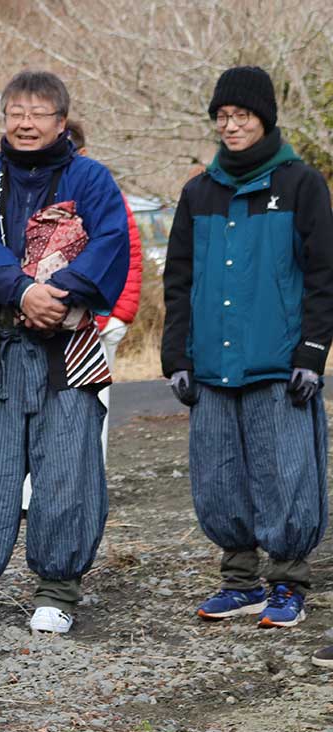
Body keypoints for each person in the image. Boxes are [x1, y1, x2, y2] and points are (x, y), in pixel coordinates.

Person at [0, 70, 130, 637]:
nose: (25, 122)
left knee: (68, 468)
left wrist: (56, 295)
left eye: (39, 113)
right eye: (16, 111)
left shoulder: (90, 177)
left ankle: (58, 588)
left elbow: (111, 240)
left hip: (67, 343)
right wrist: (22, 292)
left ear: (61, 122)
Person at [162, 66, 333, 628]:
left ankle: (288, 582)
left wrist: (312, 352)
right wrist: (176, 356)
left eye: (241, 116)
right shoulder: (198, 192)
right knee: (218, 477)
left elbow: (323, 276)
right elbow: (178, 280)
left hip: (277, 364)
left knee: (285, 474)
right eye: (222, 117)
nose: (230, 126)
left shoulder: (301, 185)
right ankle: (240, 581)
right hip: (211, 365)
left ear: (265, 118)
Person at [66, 119, 142, 463]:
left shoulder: (105, 193)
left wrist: (119, 316)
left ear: (83, 152)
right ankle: (35, 489)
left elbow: (131, 254)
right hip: (51, 320)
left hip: (101, 321)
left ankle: (91, 482)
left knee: (96, 407)